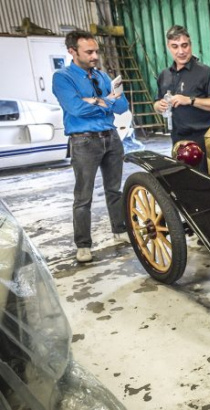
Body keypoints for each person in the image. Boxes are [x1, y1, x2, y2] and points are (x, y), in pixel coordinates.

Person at [52, 30, 130, 263]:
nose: (95, 56)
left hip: (111, 137)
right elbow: (76, 109)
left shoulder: (104, 77)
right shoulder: (63, 77)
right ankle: (83, 245)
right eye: (89, 52)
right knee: (83, 196)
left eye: (96, 51)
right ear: (72, 52)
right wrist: (105, 101)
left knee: (114, 190)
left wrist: (96, 101)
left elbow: (122, 106)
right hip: (84, 141)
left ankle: (119, 229)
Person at [154, 25, 210, 173]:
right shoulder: (164, 75)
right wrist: (158, 106)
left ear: (190, 45)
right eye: (175, 46)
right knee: (183, 180)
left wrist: (190, 100)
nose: (181, 51)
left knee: (206, 182)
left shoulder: (206, 73)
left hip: (203, 139)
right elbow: (156, 102)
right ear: (168, 47)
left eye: (184, 45)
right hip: (177, 138)